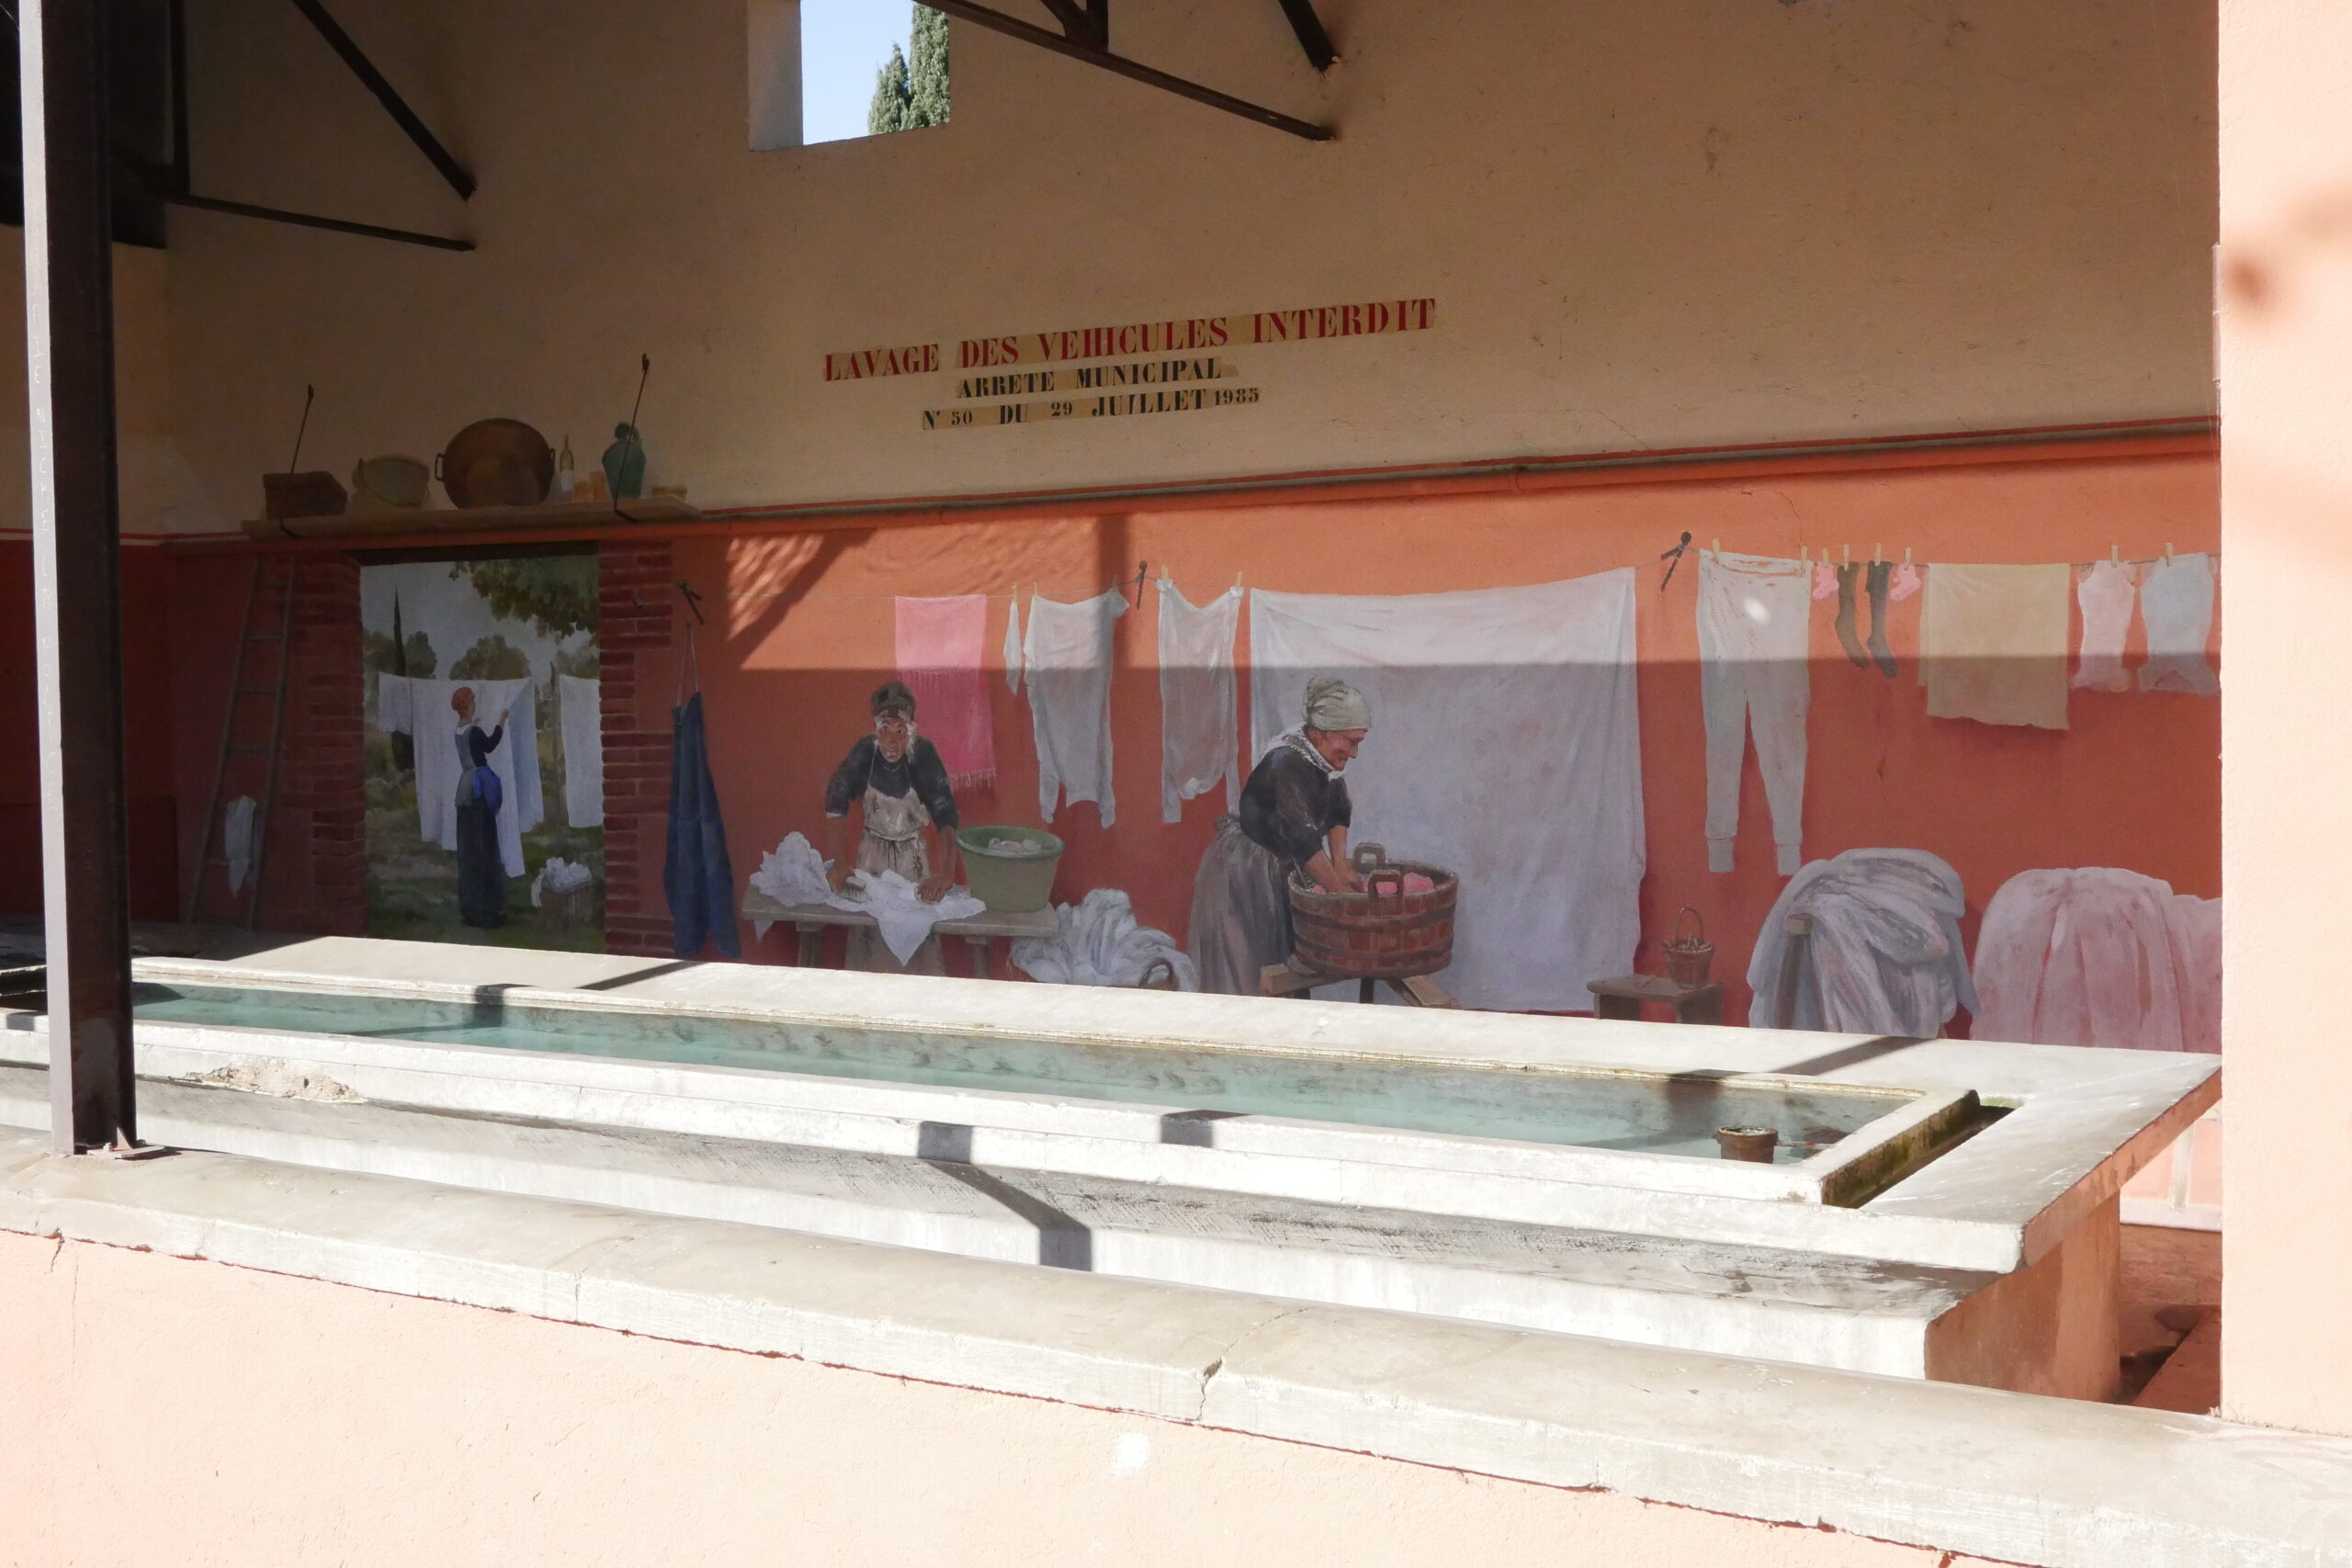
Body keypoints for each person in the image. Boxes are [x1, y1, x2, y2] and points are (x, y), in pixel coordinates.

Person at [1188, 675, 1371, 995]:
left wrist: (1340, 864)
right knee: (1250, 969)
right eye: (1350, 742)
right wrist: (1343, 898)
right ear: (1321, 733)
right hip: (1243, 871)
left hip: (1280, 865)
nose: (1354, 753)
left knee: (1288, 964)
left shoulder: (1325, 763)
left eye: (1359, 742)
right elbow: (1303, 841)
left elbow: (1338, 813)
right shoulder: (1286, 764)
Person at [822, 681, 964, 973]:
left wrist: (946, 874)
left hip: (914, 862)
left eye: (900, 731)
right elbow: (835, 800)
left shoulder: (923, 754)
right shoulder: (864, 753)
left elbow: (945, 812)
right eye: (885, 729)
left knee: (916, 943)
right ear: (875, 727)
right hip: (870, 860)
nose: (892, 741)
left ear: (910, 730)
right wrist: (841, 865)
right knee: (869, 941)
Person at [449, 685, 512, 930]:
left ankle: (471, 908)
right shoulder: (474, 732)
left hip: (464, 790)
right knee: (485, 847)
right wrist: (501, 721)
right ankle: (488, 910)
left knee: (469, 851)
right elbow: (490, 744)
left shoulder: (459, 731)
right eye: (473, 702)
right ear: (466, 707)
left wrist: (474, 723)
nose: (475, 705)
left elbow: (471, 743)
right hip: (479, 790)